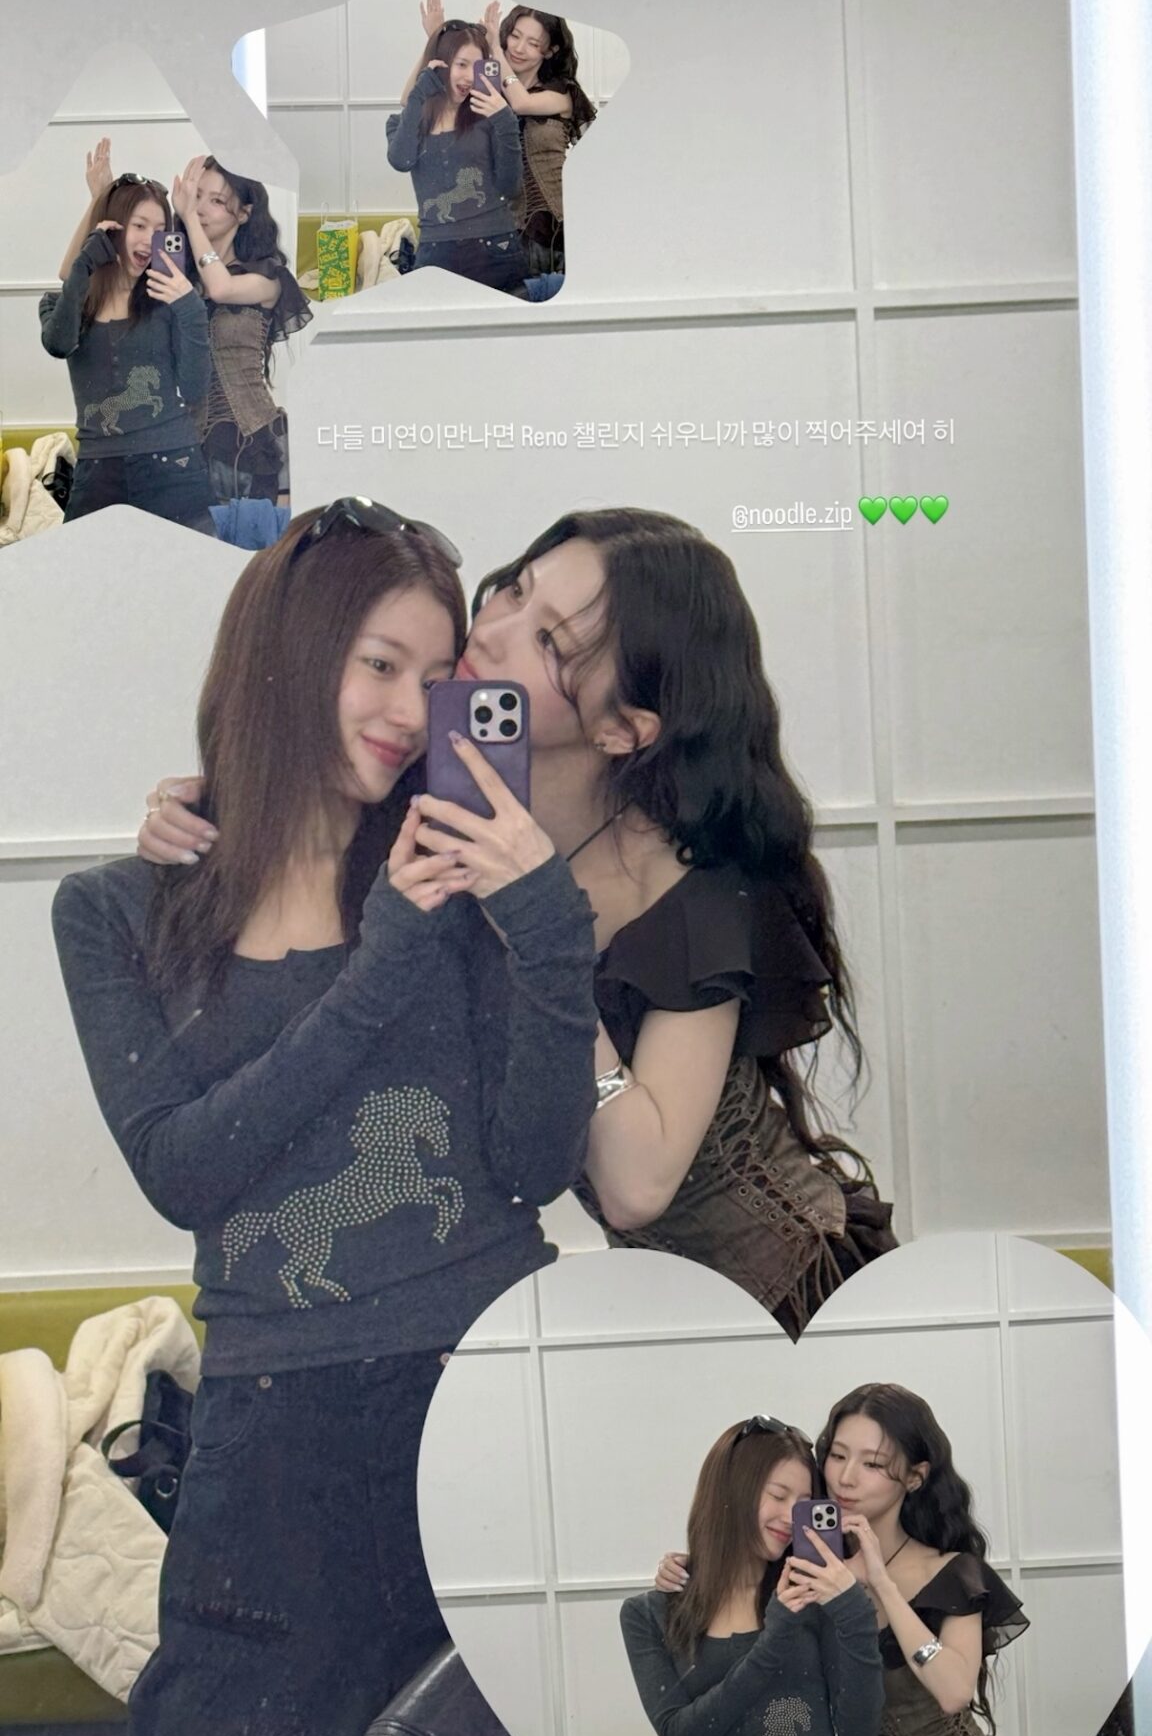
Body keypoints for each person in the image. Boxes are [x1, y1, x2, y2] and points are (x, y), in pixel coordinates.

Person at [51, 497, 599, 1736]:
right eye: (376, 662)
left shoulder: (450, 871)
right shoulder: (119, 911)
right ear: (289, 655)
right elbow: (185, 1166)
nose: (407, 710)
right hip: (276, 1435)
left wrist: (543, 919)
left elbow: (534, 1159)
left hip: (484, 1393)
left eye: (434, 673)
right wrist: (383, 960)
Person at [135, 506, 895, 1335]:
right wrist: (205, 809)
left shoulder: (690, 888)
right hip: (656, 1306)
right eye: (514, 590)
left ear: (623, 728)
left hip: (792, 1294)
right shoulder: (437, 804)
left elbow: (635, 1186)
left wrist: (540, 927)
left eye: (551, 643)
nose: (492, 632)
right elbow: (308, 785)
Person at [657, 1386, 1032, 1736]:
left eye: (873, 1464)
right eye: (836, 1455)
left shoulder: (951, 1571)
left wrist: (880, 1584)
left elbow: (953, 1691)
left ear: (916, 1476)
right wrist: (689, 1570)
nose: (846, 1477)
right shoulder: (807, 1575)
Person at [621, 1415, 899, 1736]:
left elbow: (859, 1729)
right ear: (730, 1491)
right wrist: (773, 1639)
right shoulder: (651, 1614)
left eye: (804, 1501)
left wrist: (854, 1610)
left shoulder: (816, 1596)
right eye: (777, 1495)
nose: (790, 1516)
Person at [41, 146, 212, 531]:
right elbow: (58, 343)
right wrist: (88, 254)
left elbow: (195, 387)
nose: (150, 239)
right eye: (139, 225)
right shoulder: (70, 303)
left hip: (174, 465)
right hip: (98, 470)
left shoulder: (168, 301)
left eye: (159, 229)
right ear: (114, 228)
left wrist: (190, 307)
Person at [170, 152, 312, 506]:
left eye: (216, 201)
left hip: (255, 443)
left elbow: (220, 288)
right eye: (196, 196)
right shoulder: (179, 281)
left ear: (244, 214)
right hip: (190, 447)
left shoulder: (267, 276)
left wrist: (188, 219)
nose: (200, 208)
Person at [386, 21, 527, 293]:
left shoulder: (490, 119)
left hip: (496, 248)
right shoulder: (404, 122)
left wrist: (506, 122)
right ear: (440, 65)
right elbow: (400, 161)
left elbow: (511, 187)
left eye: (477, 67)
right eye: (462, 64)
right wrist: (418, 96)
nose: (470, 77)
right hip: (436, 253)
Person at [483, 0, 598, 274]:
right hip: (500, 228)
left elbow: (521, 103)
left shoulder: (562, 93)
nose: (518, 48)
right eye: (514, 36)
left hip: (555, 229)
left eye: (533, 43)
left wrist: (495, 50)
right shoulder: (488, 93)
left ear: (550, 51)